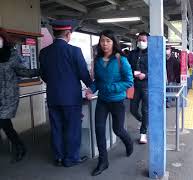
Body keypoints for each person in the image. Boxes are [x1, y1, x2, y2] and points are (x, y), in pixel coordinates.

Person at [39, 20, 92, 167]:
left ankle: (58, 157)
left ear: (54, 33)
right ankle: (71, 158)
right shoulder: (74, 51)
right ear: (68, 34)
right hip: (71, 98)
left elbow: (43, 75)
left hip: (53, 97)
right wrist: (92, 86)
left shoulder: (44, 52)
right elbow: (83, 73)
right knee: (72, 128)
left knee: (56, 128)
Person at [85, 30, 134, 176]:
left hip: (117, 101)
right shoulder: (98, 60)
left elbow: (129, 81)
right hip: (102, 101)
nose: (105, 44)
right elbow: (97, 81)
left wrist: (112, 88)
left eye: (108, 41)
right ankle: (103, 161)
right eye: (102, 41)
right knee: (99, 130)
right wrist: (90, 90)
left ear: (113, 42)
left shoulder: (121, 60)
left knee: (118, 129)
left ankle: (129, 143)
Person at [0, 28, 39, 162]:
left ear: (4, 39)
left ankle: (20, 147)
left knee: (3, 122)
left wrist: (42, 71)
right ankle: (20, 147)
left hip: (8, 97)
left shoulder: (12, 55)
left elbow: (23, 72)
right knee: (6, 125)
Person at [128, 32, 149, 144]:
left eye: (144, 40)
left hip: (146, 85)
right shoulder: (132, 54)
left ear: (148, 41)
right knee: (132, 109)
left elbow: (156, 71)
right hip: (134, 85)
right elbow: (127, 68)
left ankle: (143, 133)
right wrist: (132, 73)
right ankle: (143, 121)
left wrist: (145, 75)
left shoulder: (151, 54)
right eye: (139, 40)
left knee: (145, 110)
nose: (141, 42)